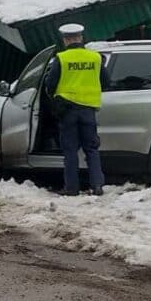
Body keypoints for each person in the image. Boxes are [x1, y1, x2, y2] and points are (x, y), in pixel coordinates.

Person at [43, 23, 107, 196]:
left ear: (66, 40)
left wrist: (56, 98)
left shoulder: (62, 58)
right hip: (89, 110)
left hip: (68, 110)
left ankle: (72, 188)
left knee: (70, 151)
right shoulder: (95, 58)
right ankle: (97, 186)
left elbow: (50, 85)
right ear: (81, 38)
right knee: (92, 149)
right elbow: (105, 81)